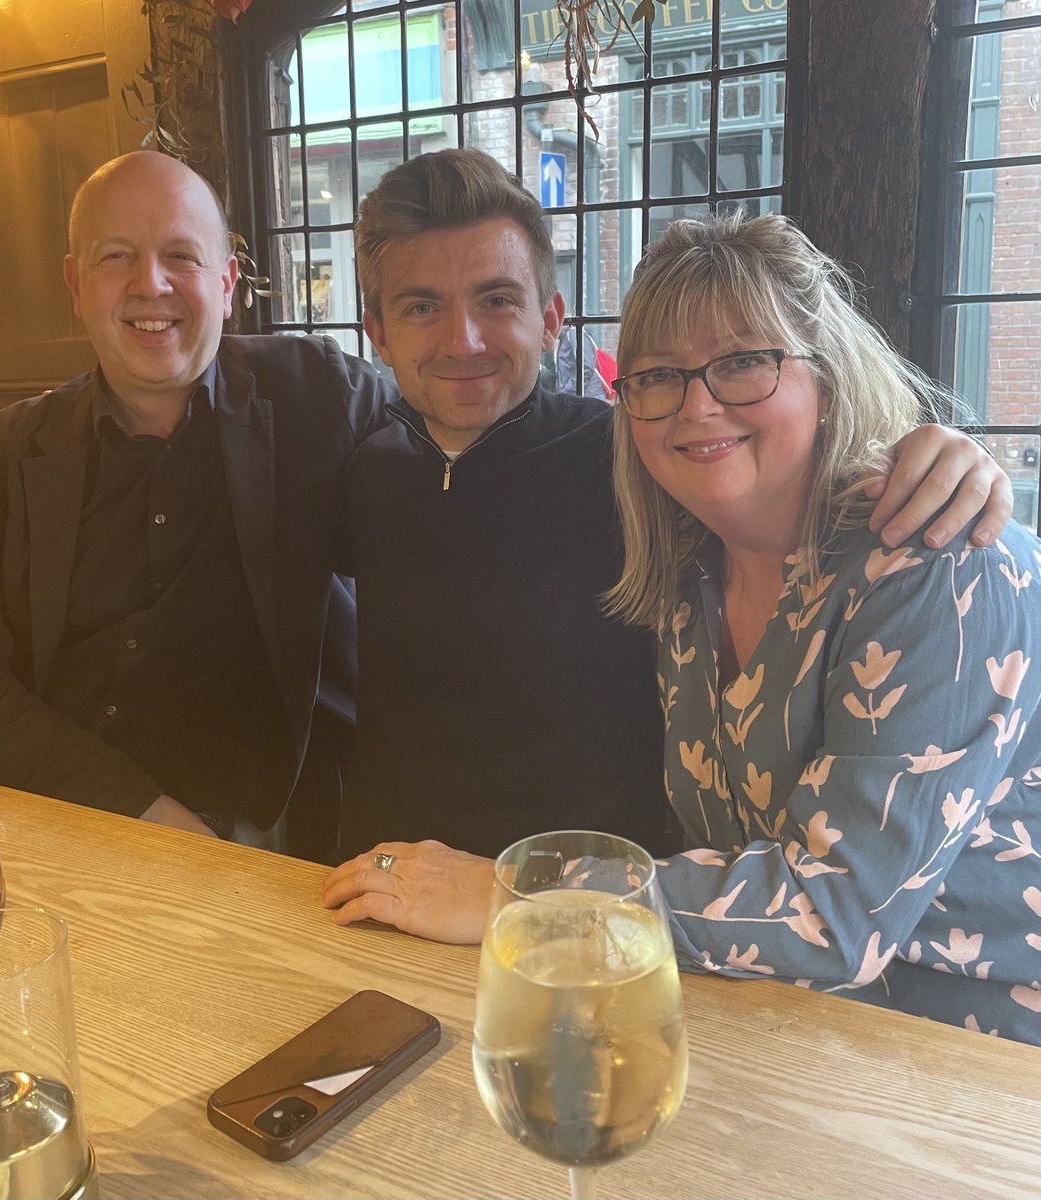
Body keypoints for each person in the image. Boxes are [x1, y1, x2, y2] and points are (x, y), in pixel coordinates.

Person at [319, 148, 1017, 942]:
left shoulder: (639, 462)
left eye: (497, 299)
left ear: (549, 317)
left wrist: (958, 461)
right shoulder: (364, 469)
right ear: (374, 330)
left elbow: (794, 477)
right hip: (386, 889)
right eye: (419, 308)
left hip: (599, 920)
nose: (464, 339)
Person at [604, 212, 1040, 1042]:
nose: (695, 406)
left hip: (979, 1077)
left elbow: (835, 916)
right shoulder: (688, 588)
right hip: (784, 1031)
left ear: (827, 380)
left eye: (743, 362)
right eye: (657, 376)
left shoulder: (938, 557)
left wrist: (535, 901)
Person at [0, 151, 392, 850]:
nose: (151, 284)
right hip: (76, 821)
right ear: (74, 284)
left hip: (286, 837)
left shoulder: (320, 394)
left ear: (227, 283)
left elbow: (453, 456)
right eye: (116, 256)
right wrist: (139, 809)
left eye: (182, 255)